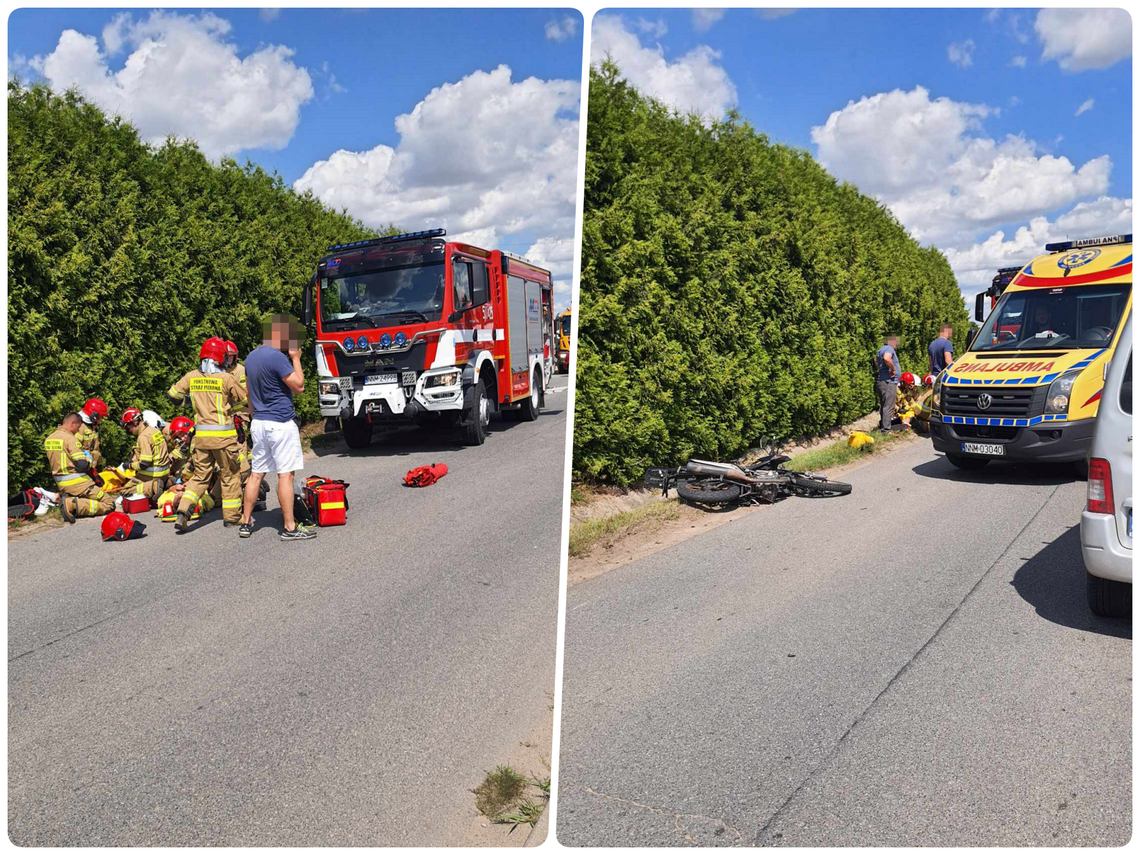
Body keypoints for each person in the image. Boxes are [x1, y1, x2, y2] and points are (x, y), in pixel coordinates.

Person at [239, 314, 314, 541]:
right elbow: (299, 386)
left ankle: (245, 522)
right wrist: (296, 358)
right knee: (286, 476)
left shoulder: (250, 358)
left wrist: (254, 418)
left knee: (256, 474)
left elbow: (249, 395)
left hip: (259, 422)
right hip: (280, 423)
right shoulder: (277, 358)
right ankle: (290, 527)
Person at [167, 337, 248, 532]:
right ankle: (231, 518)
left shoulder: (191, 376)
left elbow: (173, 396)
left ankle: (183, 511)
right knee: (230, 476)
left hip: (201, 439)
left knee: (199, 477)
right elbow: (245, 400)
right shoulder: (227, 378)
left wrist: (191, 401)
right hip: (224, 439)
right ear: (221, 358)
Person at [44, 412, 114, 522]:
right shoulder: (70, 439)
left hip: (61, 483)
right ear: (72, 424)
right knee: (109, 504)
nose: (78, 430)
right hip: (78, 483)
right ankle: (73, 505)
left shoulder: (50, 438)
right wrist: (88, 459)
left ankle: (72, 500)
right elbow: (82, 465)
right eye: (78, 427)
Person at [119, 407, 171, 505]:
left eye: (128, 427)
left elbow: (144, 463)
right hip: (164, 473)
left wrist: (128, 466)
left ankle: (153, 486)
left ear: (134, 423)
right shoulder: (154, 431)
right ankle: (166, 483)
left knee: (125, 491)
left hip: (152, 475)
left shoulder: (143, 437)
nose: (128, 431)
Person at [224, 339, 254, 490]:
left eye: (229, 356)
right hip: (226, 414)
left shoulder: (241, 371)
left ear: (235, 357)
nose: (226, 359)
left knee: (239, 443)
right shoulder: (219, 371)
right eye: (225, 356)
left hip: (240, 413)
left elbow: (243, 394)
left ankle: (245, 477)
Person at [875, 334, 902, 431]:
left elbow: (875, 360)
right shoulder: (889, 349)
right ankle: (886, 430)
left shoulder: (880, 349)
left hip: (882, 381)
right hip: (889, 382)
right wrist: (893, 369)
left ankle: (883, 426)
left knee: (884, 405)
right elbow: (887, 358)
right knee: (888, 406)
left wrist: (881, 370)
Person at [76, 398, 109, 469]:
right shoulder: (79, 427)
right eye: (101, 417)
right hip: (83, 467)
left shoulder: (93, 426)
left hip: (93, 467)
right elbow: (74, 448)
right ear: (95, 416)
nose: (101, 419)